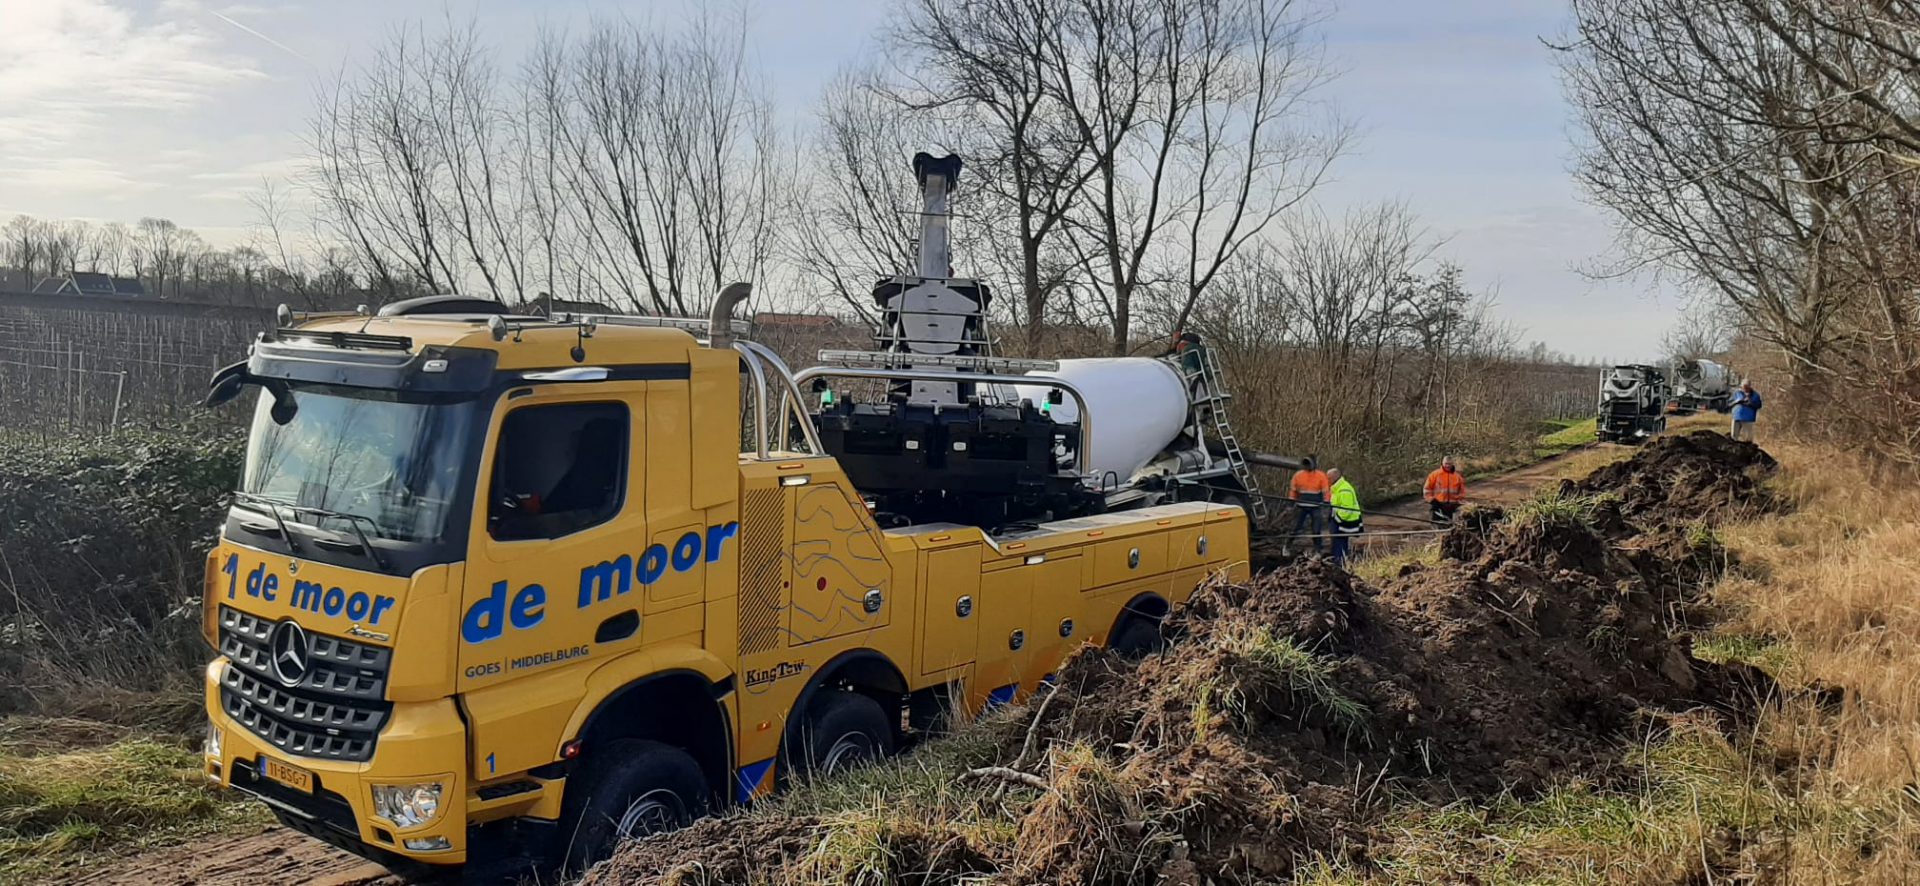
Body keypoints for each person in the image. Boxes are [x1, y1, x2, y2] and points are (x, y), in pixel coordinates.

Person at [1287, 456, 1331, 554]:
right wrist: (1290, 504)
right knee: (1295, 528)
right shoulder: (1298, 475)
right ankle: (1287, 546)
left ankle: (1318, 549)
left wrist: (1326, 504)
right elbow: (1293, 491)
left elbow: (1326, 491)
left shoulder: (1321, 475)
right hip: (1301, 506)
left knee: (1316, 530)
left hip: (1316, 506)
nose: (1307, 466)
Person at [1328, 468, 1363, 567]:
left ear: (1334, 478)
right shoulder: (1337, 488)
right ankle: (1340, 562)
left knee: (1339, 543)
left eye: (1329, 478)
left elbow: (1346, 510)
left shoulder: (1344, 490)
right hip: (1340, 522)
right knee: (1339, 543)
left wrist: (1337, 519)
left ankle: (1340, 564)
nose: (1327, 480)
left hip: (1344, 523)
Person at [1423, 456, 1466, 525]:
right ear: (1442, 463)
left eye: (1449, 464)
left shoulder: (1457, 477)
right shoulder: (1434, 475)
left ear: (1452, 464)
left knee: (1449, 526)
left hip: (1450, 506)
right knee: (1436, 525)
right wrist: (1431, 500)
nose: (1447, 466)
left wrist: (1457, 500)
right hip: (1437, 505)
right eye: (1446, 463)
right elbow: (1427, 489)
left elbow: (1462, 492)